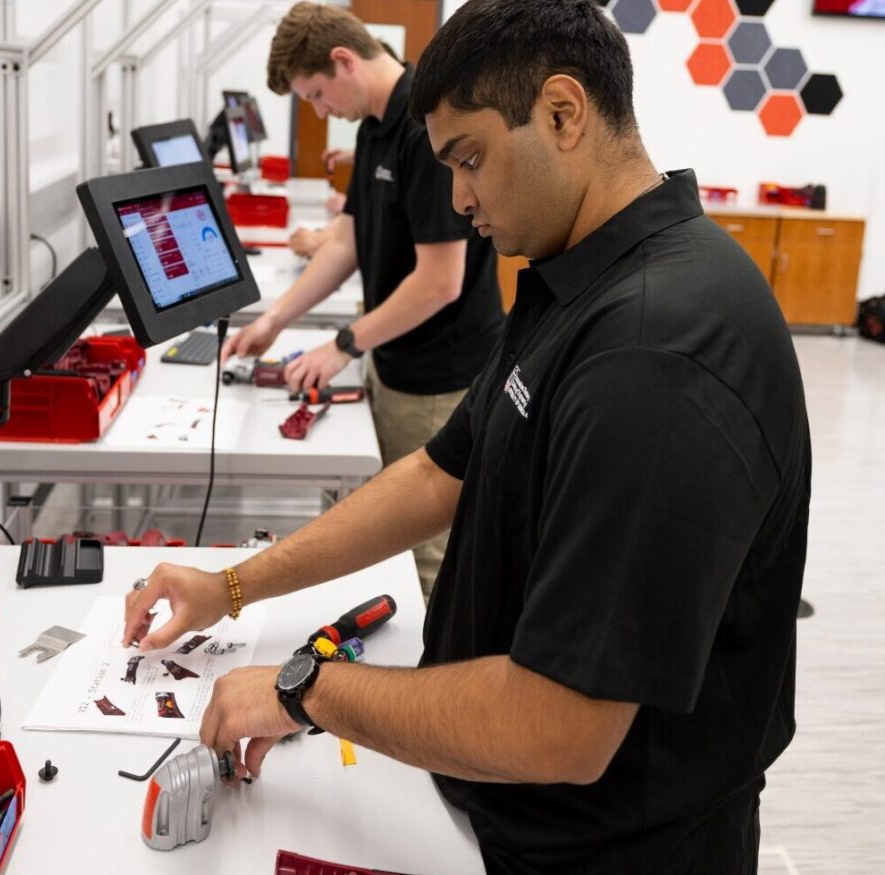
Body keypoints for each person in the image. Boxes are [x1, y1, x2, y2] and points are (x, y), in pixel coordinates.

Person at [125, 0, 811, 871]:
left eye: (471, 159)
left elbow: (562, 724)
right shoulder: (579, 277)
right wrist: (232, 585)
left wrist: (304, 691)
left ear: (564, 113)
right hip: (499, 802)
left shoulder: (657, 353)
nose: (455, 197)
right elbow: (439, 473)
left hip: (610, 847)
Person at [221, 2, 504, 598]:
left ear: (344, 61)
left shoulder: (423, 130)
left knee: (426, 548)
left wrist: (343, 344)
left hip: (438, 378)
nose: (322, 111)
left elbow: (440, 281)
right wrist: (275, 318)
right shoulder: (375, 129)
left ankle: (431, 683)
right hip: (396, 362)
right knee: (393, 530)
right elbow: (347, 239)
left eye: (317, 94)